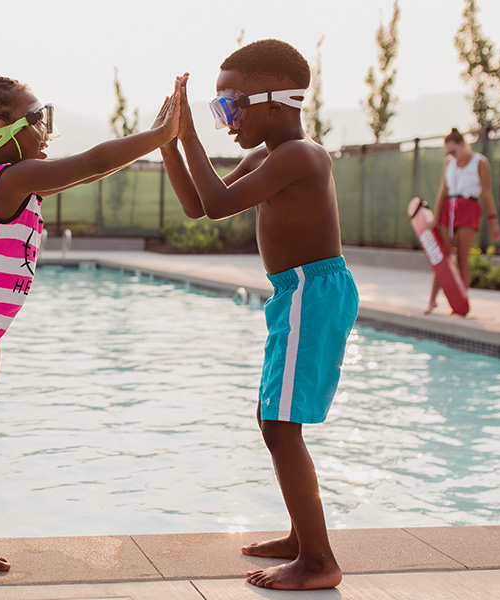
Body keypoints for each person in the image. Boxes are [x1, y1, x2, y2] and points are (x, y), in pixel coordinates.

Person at [0, 62, 181, 588]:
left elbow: (89, 168)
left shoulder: (15, 180)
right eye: (37, 118)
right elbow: (92, 163)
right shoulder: (13, 176)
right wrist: (159, 136)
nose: (46, 129)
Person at [159, 39, 358, 590]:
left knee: (279, 425)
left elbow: (219, 204)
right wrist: (170, 144)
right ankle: (302, 537)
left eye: (229, 107)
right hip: (295, 293)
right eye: (216, 110)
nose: (225, 121)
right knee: (275, 419)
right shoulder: (267, 156)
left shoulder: (299, 155)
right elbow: (202, 205)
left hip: (311, 294)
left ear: (275, 102)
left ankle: (318, 561)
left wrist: (189, 135)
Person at [424, 127, 500, 315]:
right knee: (442, 256)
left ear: (463, 145)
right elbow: (443, 190)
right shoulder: (449, 163)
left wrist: (493, 221)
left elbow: (487, 193)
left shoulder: (480, 162)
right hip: (449, 208)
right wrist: (435, 217)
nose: (450, 155)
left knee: (462, 258)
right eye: (447, 152)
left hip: (468, 208)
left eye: (453, 151)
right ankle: (432, 300)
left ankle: (460, 301)